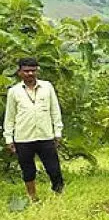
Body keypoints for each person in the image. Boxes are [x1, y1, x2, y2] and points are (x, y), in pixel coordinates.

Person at [3, 57, 65, 202]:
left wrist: (57, 133)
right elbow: (10, 116)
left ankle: (59, 196)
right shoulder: (14, 91)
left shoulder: (47, 87)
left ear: (37, 71)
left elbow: (55, 111)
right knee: (28, 170)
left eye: (33, 70)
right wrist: (9, 138)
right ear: (19, 72)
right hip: (23, 137)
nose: (30, 74)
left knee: (54, 168)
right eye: (26, 71)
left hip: (45, 136)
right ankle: (32, 197)